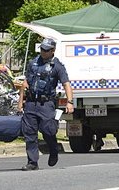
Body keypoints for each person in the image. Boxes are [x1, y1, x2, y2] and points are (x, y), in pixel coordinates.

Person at [17, 38, 74, 171]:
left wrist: (70, 102)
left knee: (48, 130)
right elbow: (25, 83)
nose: (43, 52)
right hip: (31, 103)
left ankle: (53, 149)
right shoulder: (33, 63)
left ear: (53, 51)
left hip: (46, 104)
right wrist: (20, 102)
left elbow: (66, 84)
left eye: (47, 50)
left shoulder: (57, 66)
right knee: (29, 133)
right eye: (42, 49)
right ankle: (32, 162)